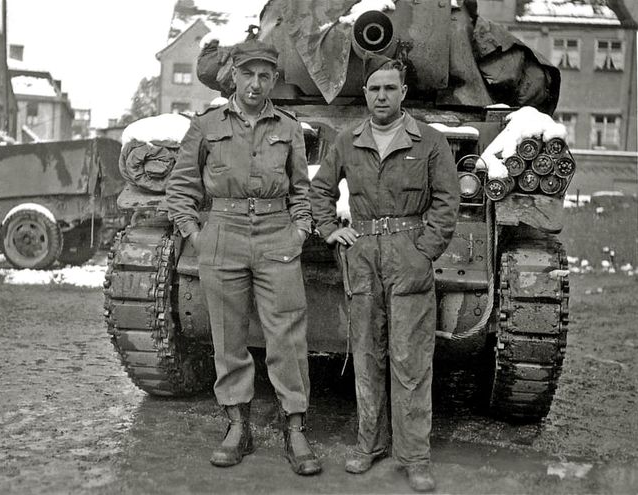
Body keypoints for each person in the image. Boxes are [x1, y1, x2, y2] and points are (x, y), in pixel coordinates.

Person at [166, 39, 321, 476]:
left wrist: (300, 231)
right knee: (228, 335)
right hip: (222, 234)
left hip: (277, 235)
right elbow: (181, 187)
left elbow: (301, 191)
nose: (256, 84)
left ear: (274, 79)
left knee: (287, 335)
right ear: (233, 75)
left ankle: (295, 428)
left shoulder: (289, 127)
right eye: (248, 74)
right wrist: (195, 235)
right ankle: (237, 426)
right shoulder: (206, 124)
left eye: (265, 75)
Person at [309, 56, 459, 492]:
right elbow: (320, 188)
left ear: (403, 93)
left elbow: (447, 201)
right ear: (366, 93)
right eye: (374, 89)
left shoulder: (429, 141)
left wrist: (424, 251)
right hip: (363, 251)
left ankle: (414, 455)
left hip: (409, 251)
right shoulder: (347, 139)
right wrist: (330, 229)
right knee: (367, 352)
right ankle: (368, 444)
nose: (381, 96)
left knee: (410, 357)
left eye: (390, 89)